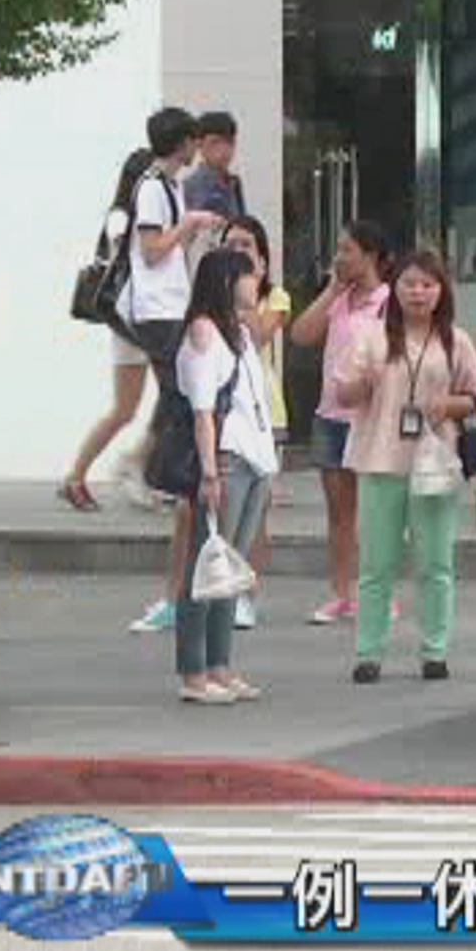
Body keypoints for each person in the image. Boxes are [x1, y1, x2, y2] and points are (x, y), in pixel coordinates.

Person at [331, 249, 476, 683]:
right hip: (380, 459)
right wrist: (363, 382)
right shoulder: (371, 336)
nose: (418, 292)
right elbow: (342, 394)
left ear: (441, 290)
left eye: (427, 284)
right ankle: (369, 652)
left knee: (436, 563)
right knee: (376, 564)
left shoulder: (455, 340)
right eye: (409, 283)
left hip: (435, 464)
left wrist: (448, 405)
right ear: (394, 288)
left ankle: (435, 650)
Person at [118, 108, 225, 635]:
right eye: (193, 141)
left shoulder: (171, 186)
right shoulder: (152, 189)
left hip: (172, 303)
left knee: (182, 392)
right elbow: (153, 248)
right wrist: (190, 225)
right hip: (156, 308)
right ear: (181, 142)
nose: (196, 149)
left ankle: (160, 465)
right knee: (178, 394)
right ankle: (155, 467)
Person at [170, 248, 276, 704]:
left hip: (255, 458)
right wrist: (210, 471)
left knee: (230, 569)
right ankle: (194, 671)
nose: (256, 284)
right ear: (228, 281)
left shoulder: (241, 334)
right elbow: (203, 411)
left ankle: (220, 664)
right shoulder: (205, 333)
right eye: (248, 276)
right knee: (206, 564)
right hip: (227, 459)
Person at [290, 220, 392, 626]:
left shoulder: (389, 301)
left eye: (348, 250)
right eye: (339, 249)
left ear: (370, 256)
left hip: (370, 418)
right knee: (338, 513)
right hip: (331, 414)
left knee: (373, 511)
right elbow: (301, 334)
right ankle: (342, 592)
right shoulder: (338, 298)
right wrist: (332, 291)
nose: (339, 258)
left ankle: (376, 591)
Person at [60, 148, 158, 514]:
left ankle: (138, 465)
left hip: (145, 318)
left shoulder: (137, 214)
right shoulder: (122, 217)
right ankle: (79, 475)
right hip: (128, 323)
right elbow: (126, 262)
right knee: (125, 409)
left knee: (167, 399)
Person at [220, 216, 285, 631]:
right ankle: (221, 590)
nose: (238, 252)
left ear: (262, 258)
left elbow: (259, 336)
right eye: (231, 244)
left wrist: (245, 295)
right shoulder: (212, 297)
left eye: (246, 245)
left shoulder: (274, 297)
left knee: (257, 514)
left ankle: (246, 593)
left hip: (265, 412)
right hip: (228, 416)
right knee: (227, 511)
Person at [183, 111, 247, 220]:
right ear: (199, 145)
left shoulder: (234, 183)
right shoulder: (192, 187)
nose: (223, 150)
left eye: (229, 142)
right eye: (215, 142)